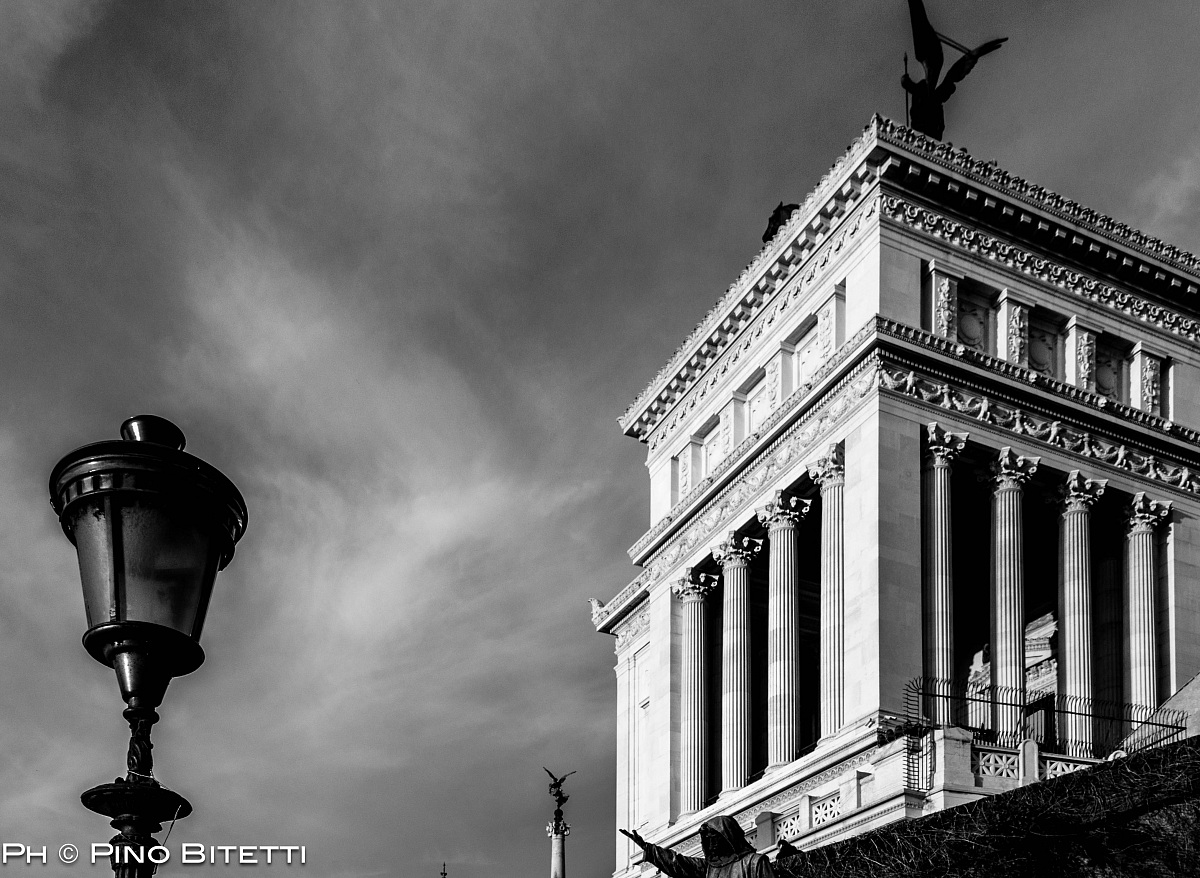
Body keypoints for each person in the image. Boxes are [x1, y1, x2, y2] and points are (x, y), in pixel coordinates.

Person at [621, 815, 774, 878]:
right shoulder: (709, 868)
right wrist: (648, 848)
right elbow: (677, 863)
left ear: (728, 836)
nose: (711, 843)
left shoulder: (755, 863)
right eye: (707, 840)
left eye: (714, 838)